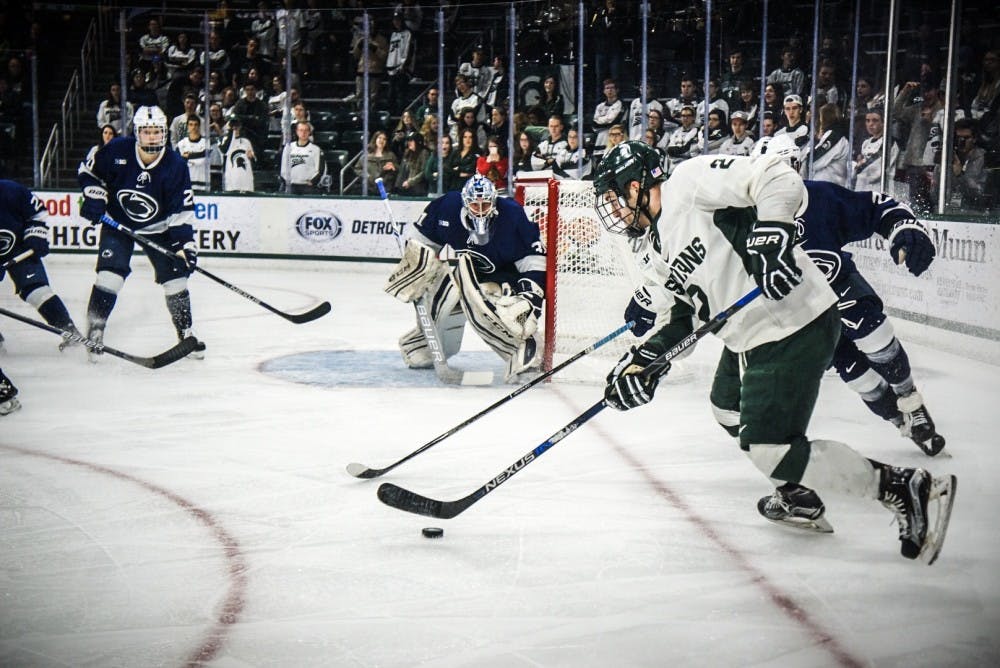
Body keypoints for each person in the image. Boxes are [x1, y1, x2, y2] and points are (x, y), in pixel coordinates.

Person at [591, 140, 956, 563]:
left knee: (770, 447)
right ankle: (796, 495)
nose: (614, 211)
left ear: (635, 186)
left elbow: (775, 176)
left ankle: (905, 487)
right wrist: (644, 361)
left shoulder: (688, 183)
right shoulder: (655, 248)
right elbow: (684, 317)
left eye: (615, 199)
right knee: (726, 409)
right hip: (750, 334)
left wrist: (774, 228)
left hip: (792, 320)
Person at [750, 133, 945, 458]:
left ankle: (912, 401)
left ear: (797, 168)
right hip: (803, 313)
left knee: (875, 335)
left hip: (841, 286)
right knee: (856, 373)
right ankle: (900, 419)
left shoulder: (820, 197)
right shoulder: (745, 219)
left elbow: (876, 208)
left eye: (785, 171)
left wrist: (903, 228)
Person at [385, 174, 546, 383]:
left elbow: (534, 261)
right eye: (474, 204)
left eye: (485, 204)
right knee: (443, 290)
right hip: (464, 272)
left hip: (504, 279)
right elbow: (420, 244)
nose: (480, 210)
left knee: (497, 307)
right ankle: (427, 342)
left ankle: (524, 349)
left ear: (494, 202)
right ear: (465, 202)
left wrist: (529, 299)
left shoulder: (512, 215)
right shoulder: (446, 207)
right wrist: (415, 267)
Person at [77, 105, 205, 361]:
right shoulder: (116, 150)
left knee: (176, 280)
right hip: (118, 224)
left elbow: (182, 212)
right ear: (137, 132)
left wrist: (185, 246)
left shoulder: (176, 166)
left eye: (156, 131)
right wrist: (94, 195)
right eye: (146, 132)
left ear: (164, 133)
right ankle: (95, 330)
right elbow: (88, 171)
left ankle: (185, 333)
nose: (152, 137)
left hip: (159, 229)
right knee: (109, 277)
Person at [0, 179, 82, 350]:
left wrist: (35, 236)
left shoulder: (12, 190)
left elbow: (37, 214)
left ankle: (69, 331)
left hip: (19, 249)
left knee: (38, 291)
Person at [805, 102, 850, 186]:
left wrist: (812, 144)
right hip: (825, 187)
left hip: (830, 188)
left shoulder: (835, 136)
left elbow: (813, 162)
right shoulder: (831, 135)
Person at [854, 107, 898, 192]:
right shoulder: (866, 143)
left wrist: (857, 167)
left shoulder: (889, 142)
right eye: (868, 120)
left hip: (879, 190)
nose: (870, 124)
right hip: (862, 189)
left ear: (883, 122)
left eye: (875, 120)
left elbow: (875, 169)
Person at [282, 121, 327, 194]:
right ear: (297, 132)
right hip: (292, 186)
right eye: (301, 130)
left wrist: (313, 182)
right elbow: (283, 167)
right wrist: (286, 181)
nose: (303, 133)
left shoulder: (316, 149)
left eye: (306, 130)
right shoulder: (288, 147)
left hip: (308, 187)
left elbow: (320, 169)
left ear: (309, 132)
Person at [220, 118, 255, 192]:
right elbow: (225, 150)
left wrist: (251, 157)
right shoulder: (224, 141)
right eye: (232, 126)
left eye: (236, 126)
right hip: (231, 178)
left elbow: (253, 158)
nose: (234, 128)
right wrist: (230, 132)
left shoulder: (246, 141)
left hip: (246, 179)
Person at [177, 116, 211, 192]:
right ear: (187, 126)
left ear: (199, 126)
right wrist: (195, 156)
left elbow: (203, 159)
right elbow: (178, 163)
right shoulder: (181, 144)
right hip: (186, 184)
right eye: (191, 124)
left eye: (196, 125)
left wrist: (187, 157)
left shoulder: (206, 143)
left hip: (202, 185)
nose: (193, 127)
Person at [592, 79, 626, 156]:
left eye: (612, 88)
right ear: (604, 91)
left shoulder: (621, 105)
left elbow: (614, 123)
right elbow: (594, 125)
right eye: (607, 88)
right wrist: (607, 121)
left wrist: (601, 120)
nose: (610, 90)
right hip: (600, 141)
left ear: (617, 90)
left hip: (615, 142)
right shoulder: (599, 106)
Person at [396, 132, 429, 197]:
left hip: (418, 190)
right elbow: (402, 171)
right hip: (406, 188)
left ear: (418, 141)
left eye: (411, 140)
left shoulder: (424, 153)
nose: (409, 142)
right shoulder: (408, 153)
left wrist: (410, 182)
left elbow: (424, 172)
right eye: (408, 140)